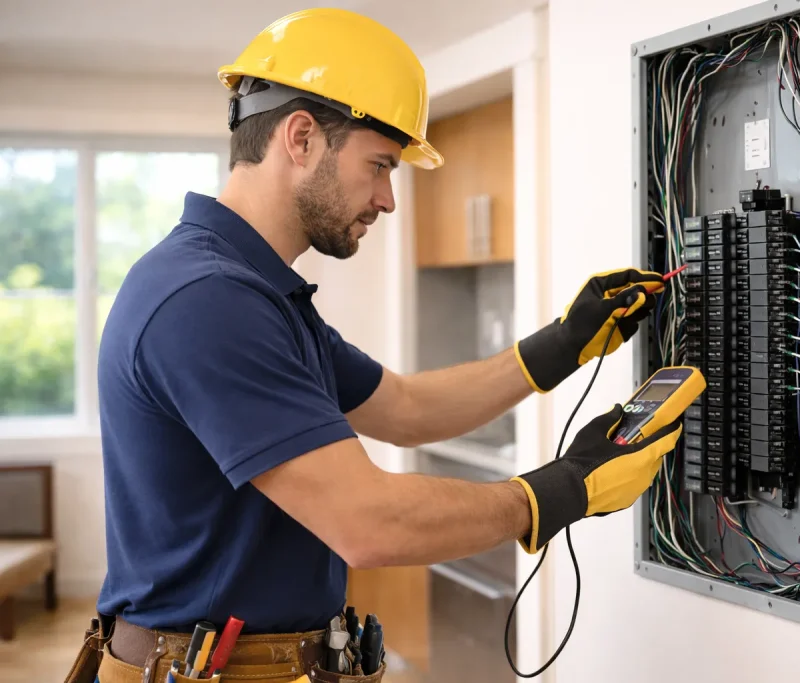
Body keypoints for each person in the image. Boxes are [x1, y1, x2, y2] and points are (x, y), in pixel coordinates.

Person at [69, 8, 683, 683]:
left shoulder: (259, 294)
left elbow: (407, 407)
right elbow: (368, 521)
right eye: (380, 165)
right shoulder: (208, 301)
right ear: (300, 138)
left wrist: (563, 345)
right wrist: (561, 489)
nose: (388, 199)